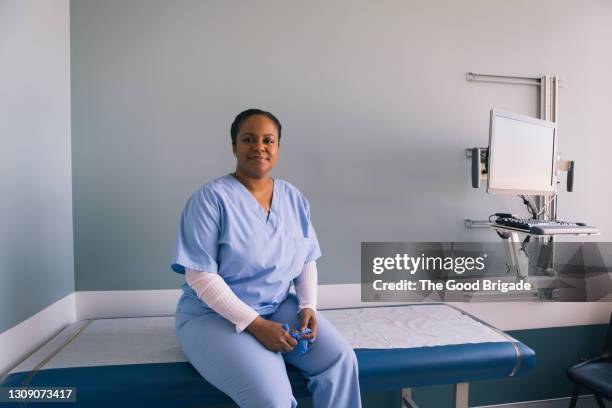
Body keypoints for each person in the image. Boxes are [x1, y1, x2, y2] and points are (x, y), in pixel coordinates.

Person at [171, 109, 362, 408]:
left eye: (268, 140)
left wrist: (307, 305)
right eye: (248, 139)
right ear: (234, 146)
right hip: (212, 317)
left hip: (275, 306)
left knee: (339, 360)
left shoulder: (293, 198)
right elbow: (200, 276)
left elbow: (305, 257)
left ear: (277, 147)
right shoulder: (210, 198)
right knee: (271, 399)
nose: (259, 147)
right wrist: (255, 324)